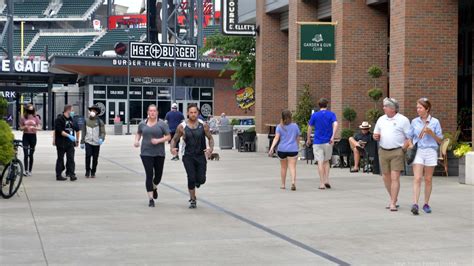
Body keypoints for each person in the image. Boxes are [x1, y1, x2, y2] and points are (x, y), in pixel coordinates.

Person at [170, 104, 214, 209]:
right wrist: (172, 148)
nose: (193, 114)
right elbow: (174, 139)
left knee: (201, 179)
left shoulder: (203, 125)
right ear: (187, 113)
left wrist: (210, 149)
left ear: (198, 113)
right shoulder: (182, 126)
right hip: (188, 156)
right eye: (191, 112)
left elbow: (210, 138)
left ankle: (198, 182)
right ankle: (193, 199)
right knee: (191, 177)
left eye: (195, 112)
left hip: (200, 155)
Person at [373, 97, 410, 211]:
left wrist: (403, 149)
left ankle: (393, 203)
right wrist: (375, 136)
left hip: (397, 151)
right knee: (385, 177)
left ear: (393, 109)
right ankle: (393, 198)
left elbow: (409, 137)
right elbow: (375, 134)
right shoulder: (381, 119)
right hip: (383, 150)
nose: (383, 108)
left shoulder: (403, 120)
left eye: (386, 106)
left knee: (395, 177)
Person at [408, 98, 443, 215]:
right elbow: (409, 136)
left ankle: (426, 204)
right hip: (419, 151)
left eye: (420, 108)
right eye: (417, 107)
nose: (418, 110)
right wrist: (411, 144)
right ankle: (415, 204)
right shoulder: (414, 121)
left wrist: (431, 133)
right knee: (417, 178)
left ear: (427, 109)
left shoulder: (435, 122)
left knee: (428, 179)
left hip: (431, 151)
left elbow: (440, 140)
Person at [134, 104, 171, 207]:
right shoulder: (142, 124)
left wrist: (158, 140)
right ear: (147, 112)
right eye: (150, 111)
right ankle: (150, 199)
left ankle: (154, 186)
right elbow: (139, 133)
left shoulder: (162, 124)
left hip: (159, 153)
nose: (152, 113)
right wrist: (136, 141)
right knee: (149, 174)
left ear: (157, 112)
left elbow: (168, 136)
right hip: (146, 153)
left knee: (158, 176)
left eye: (154, 111)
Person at [306, 98, 338, 190]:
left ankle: (321, 183)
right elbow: (335, 124)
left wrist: (308, 139)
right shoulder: (331, 114)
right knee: (326, 161)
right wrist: (332, 136)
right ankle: (327, 180)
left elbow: (309, 127)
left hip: (317, 142)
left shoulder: (315, 115)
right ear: (327, 105)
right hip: (328, 141)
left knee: (320, 161)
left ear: (319, 105)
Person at [269, 110, 300, 191]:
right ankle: (293, 182)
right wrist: (297, 146)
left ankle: (283, 184)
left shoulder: (279, 126)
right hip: (293, 149)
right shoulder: (295, 126)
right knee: (292, 167)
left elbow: (276, 138)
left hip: (282, 149)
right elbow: (297, 138)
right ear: (291, 116)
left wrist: (272, 148)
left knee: (283, 167)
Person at [54, 105, 80, 181]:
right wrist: (69, 135)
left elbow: (77, 130)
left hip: (70, 143)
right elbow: (60, 131)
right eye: (72, 110)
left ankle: (72, 174)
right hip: (61, 143)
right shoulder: (59, 119)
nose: (73, 112)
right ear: (67, 110)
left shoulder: (72, 120)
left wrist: (76, 140)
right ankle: (58, 175)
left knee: (71, 159)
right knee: (60, 159)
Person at [80, 105, 106, 178]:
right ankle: (87, 171)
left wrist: (101, 138)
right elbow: (83, 132)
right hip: (88, 142)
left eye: (94, 111)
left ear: (97, 112)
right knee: (88, 156)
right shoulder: (86, 120)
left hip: (96, 143)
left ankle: (93, 171)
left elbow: (103, 132)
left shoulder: (100, 121)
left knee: (95, 158)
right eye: (91, 110)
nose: (92, 112)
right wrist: (82, 142)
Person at [19, 104, 41, 176]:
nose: (30, 111)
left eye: (32, 110)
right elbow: (20, 128)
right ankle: (25, 170)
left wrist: (35, 128)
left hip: (33, 136)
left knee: (31, 154)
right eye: (29, 110)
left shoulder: (36, 117)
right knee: (25, 154)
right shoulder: (23, 117)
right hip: (26, 136)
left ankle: (30, 170)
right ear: (27, 110)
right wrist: (24, 127)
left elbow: (40, 127)